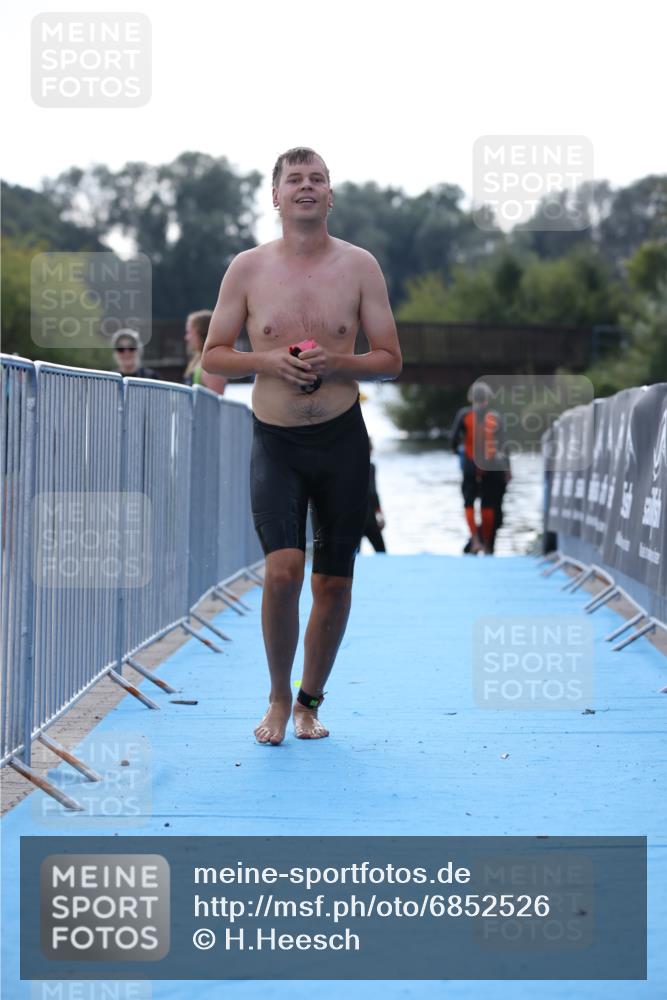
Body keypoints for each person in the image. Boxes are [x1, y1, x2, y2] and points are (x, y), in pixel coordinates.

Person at [201, 146, 402, 745]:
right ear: (277, 196)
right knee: (283, 570)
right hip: (277, 440)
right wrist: (267, 360)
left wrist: (339, 362)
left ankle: (311, 700)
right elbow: (213, 354)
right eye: (295, 179)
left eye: (317, 178)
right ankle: (277, 697)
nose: (306, 187)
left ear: (331, 195)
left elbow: (391, 361)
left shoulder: (360, 266)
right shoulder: (248, 268)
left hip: (341, 440)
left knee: (334, 583)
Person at [450, 381, 511, 555]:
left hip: (470, 465)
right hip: (491, 466)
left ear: (471, 397)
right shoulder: (495, 417)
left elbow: (453, 439)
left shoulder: (464, 415)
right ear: (488, 398)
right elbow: (505, 446)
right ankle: (487, 546)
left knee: (468, 502)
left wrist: (458, 452)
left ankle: (475, 540)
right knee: (488, 504)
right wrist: (508, 470)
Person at [183, 310, 228, 394]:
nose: (187, 337)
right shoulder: (197, 361)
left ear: (201, 334)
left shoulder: (212, 365)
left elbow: (215, 402)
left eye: (189, 332)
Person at [362, 438, 386, 552]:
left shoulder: (347, 468)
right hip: (369, 516)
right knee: (381, 551)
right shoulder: (370, 467)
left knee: (353, 556)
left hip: (352, 517)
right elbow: (372, 492)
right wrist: (380, 514)